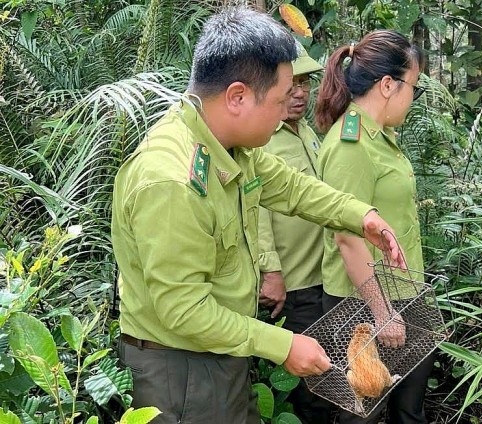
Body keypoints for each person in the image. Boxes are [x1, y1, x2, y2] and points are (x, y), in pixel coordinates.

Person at [111, 9, 406, 424]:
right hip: (181, 370)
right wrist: (283, 345)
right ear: (237, 97)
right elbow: (183, 309)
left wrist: (363, 217)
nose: (291, 106)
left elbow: (292, 188)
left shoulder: (231, 148)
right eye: (282, 98)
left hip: (221, 352)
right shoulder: (172, 181)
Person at [315, 30, 430, 424]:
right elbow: (347, 238)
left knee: (408, 410)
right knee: (361, 412)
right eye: (412, 86)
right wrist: (382, 313)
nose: (413, 98)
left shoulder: (382, 139)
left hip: (404, 295)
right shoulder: (352, 146)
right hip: (363, 305)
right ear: (387, 85)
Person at [257, 44, 332, 424]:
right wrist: (271, 271)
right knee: (306, 383)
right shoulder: (261, 138)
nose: (300, 92)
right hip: (293, 280)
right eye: (292, 84)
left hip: (325, 274)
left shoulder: (307, 132)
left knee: (326, 368)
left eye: (305, 82)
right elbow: (256, 211)